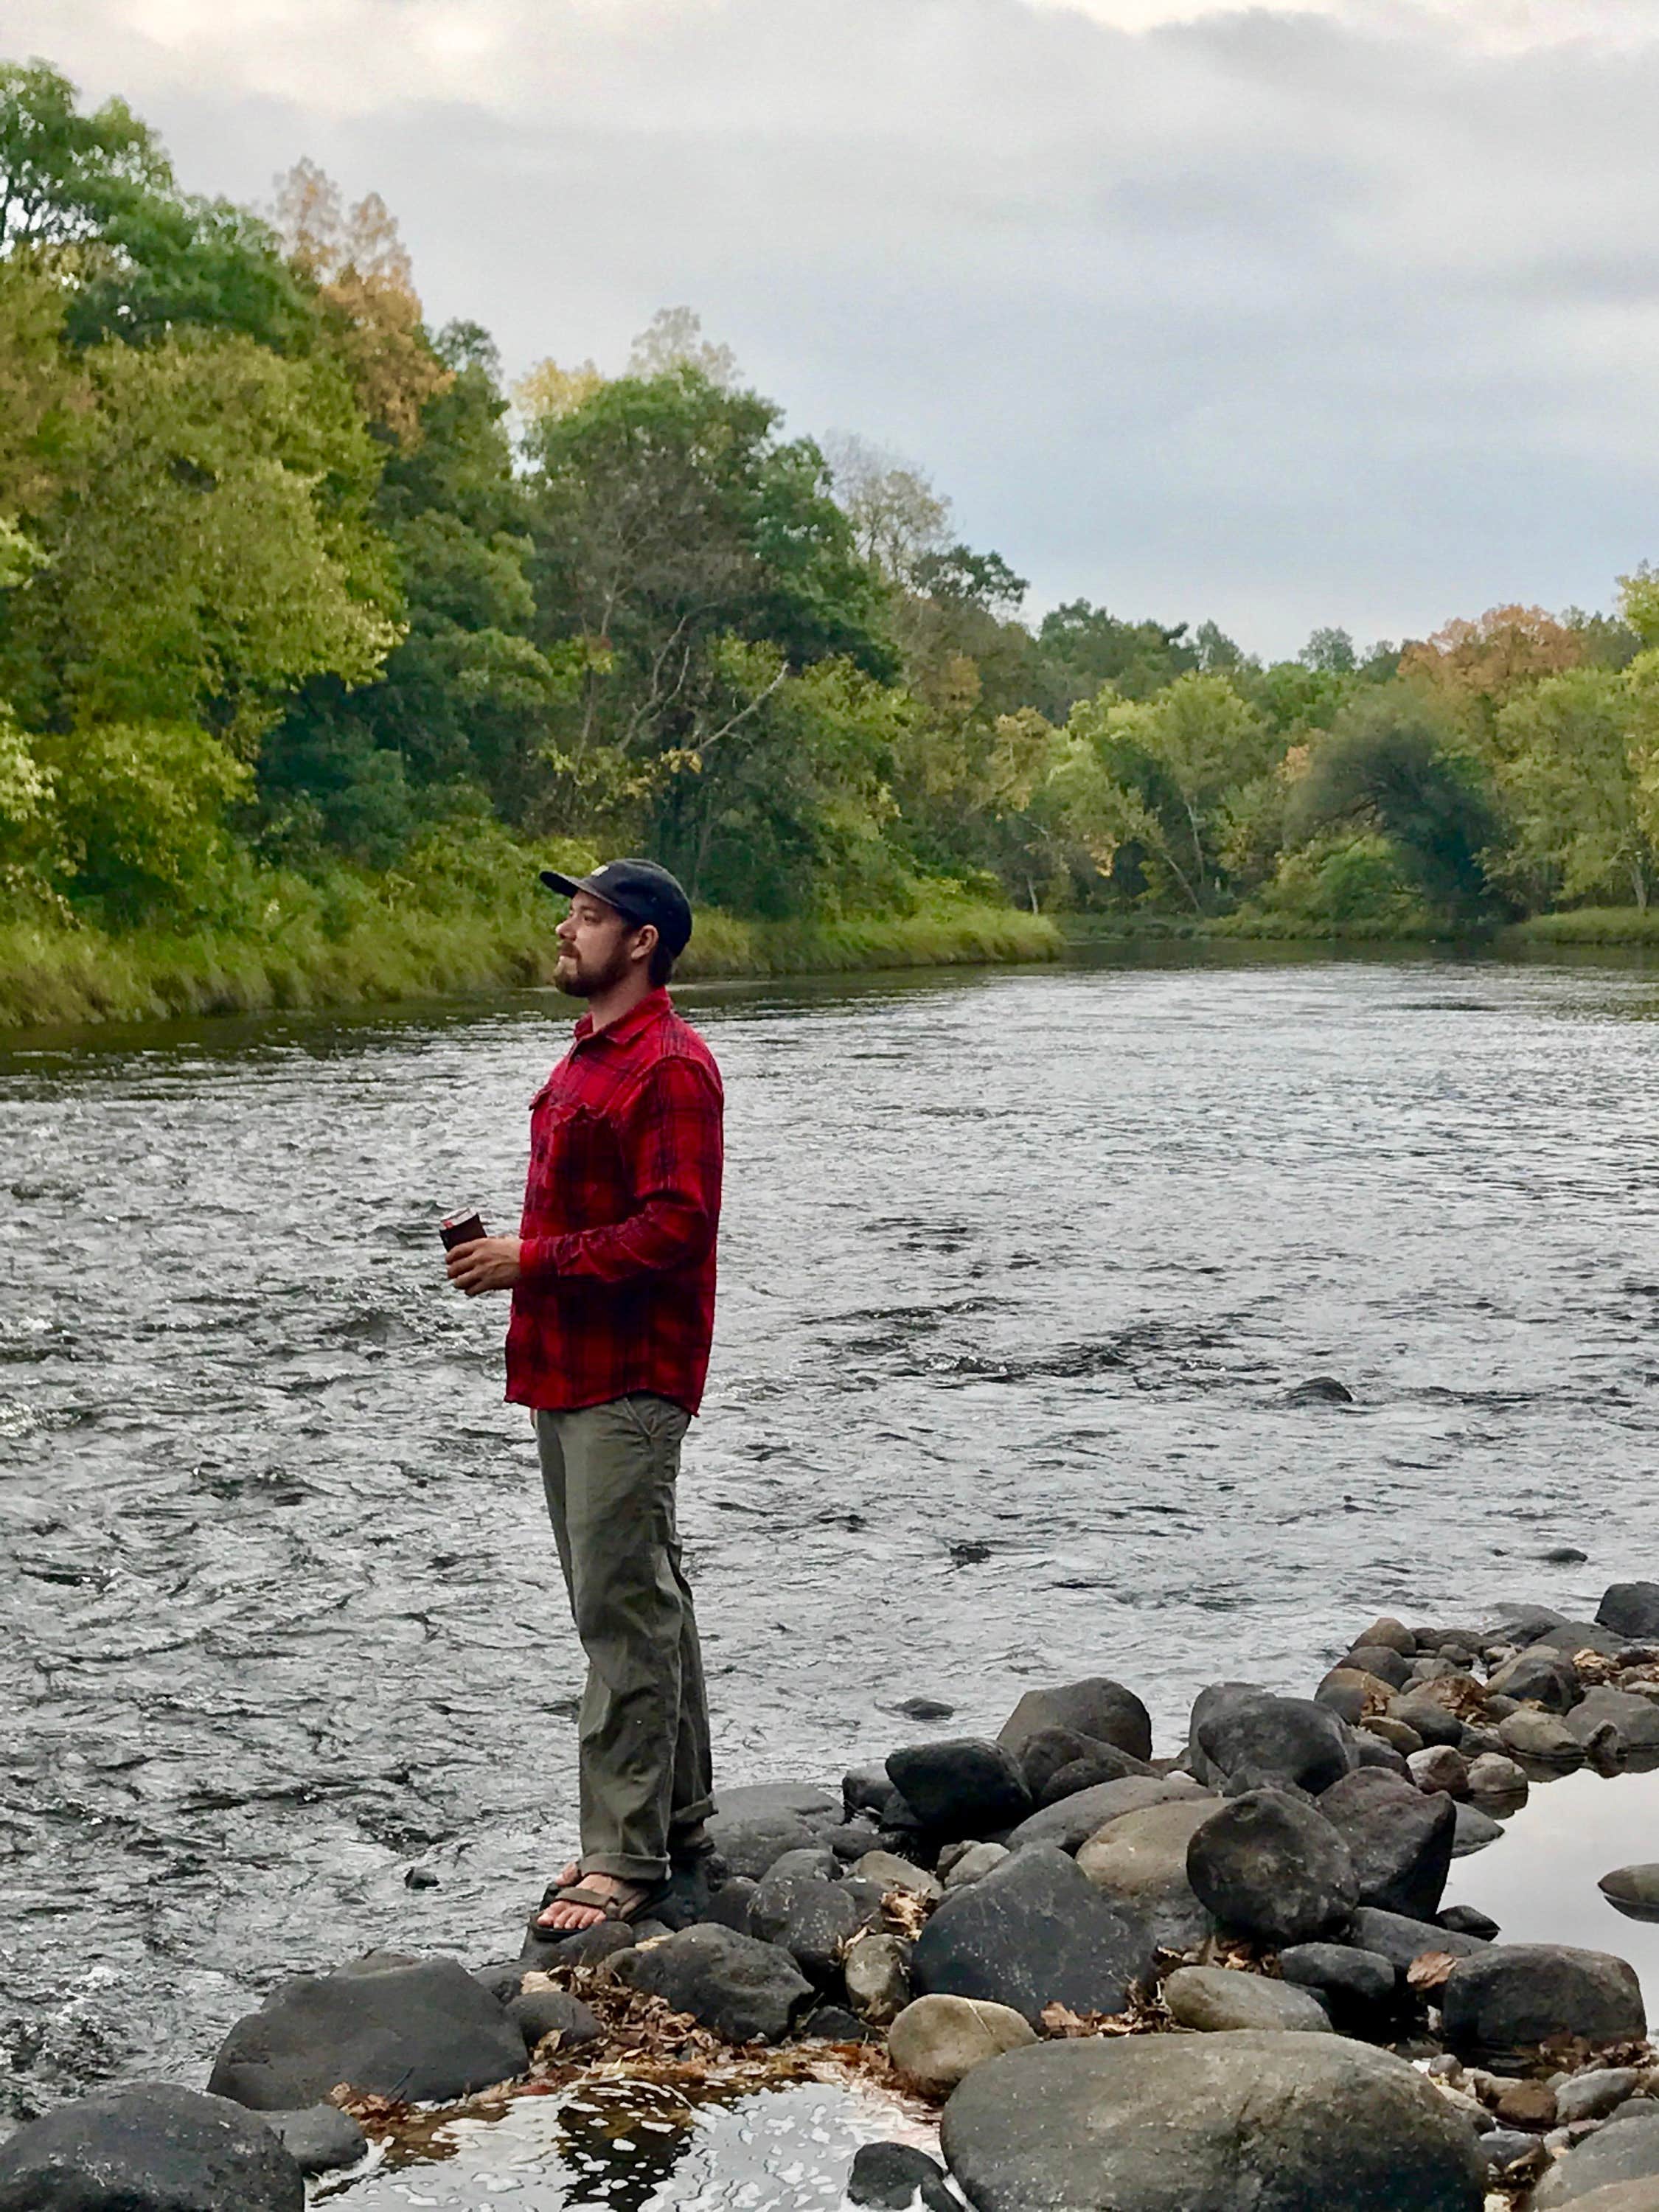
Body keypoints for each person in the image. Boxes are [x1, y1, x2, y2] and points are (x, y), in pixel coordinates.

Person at [446, 858, 723, 1933]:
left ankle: (624, 1856)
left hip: (630, 1376)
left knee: (621, 1610)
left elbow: (675, 1229)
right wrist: (518, 1265)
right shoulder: (590, 1055)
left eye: (590, 915)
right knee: (649, 1595)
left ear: (642, 941)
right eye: (571, 910)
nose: (567, 928)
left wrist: (531, 1260)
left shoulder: (669, 1068)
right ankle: (680, 1816)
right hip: (565, 1367)